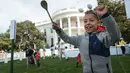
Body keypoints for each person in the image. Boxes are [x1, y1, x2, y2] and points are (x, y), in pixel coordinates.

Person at [52, 5, 121, 73]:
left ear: (98, 23)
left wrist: (105, 16)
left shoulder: (103, 37)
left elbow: (115, 36)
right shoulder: (80, 39)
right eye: (85, 21)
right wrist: (58, 30)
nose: (88, 23)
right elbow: (67, 39)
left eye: (91, 20)